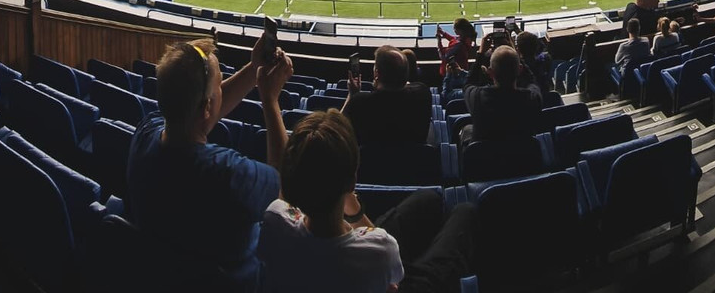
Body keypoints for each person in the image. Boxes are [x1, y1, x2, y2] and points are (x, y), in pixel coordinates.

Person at [127, 35, 293, 291]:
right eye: (219, 85)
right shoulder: (230, 176)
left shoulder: (145, 133)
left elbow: (201, 108)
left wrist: (253, 70)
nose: (221, 89)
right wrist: (270, 100)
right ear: (206, 106)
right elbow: (286, 184)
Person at [258, 110, 476, 292]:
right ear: (352, 182)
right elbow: (394, 278)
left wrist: (269, 100)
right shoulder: (380, 249)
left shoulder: (274, 222)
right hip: (391, 280)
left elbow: (284, 174)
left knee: (429, 199)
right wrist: (354, 211)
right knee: (464, 212)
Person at [342, 45, 432, 145]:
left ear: (377, 74)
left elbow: (335, 129)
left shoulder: (360, 102)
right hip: (414, 160)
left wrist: (352, 94)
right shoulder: (423, 94)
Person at [462, 44, 543, 145]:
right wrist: (517, 55)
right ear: (519, 69)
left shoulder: (478, 97)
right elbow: (532, 81)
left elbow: (468, 84)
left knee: (467, 130)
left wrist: (480, 54)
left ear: (490, 72)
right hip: (523, 158)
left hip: (485, 159)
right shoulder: (531, 98)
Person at [515, 30, 552, 98]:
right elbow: (540, 45)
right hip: (545, 97)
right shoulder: (546, 59)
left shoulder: (519, 68)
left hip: (528, 101)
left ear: (518, 50)